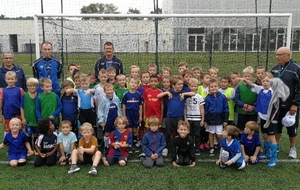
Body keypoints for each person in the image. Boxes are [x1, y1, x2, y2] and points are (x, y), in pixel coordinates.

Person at [271, 46, 300, 159]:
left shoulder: (296, 69)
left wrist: (295, 104)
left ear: (287, 55)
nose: (277, 57)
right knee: (276, 127)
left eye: (279, 55)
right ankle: (276, 145)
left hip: (290, 106)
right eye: (276, 54)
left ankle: (292, 148)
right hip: (276, 105)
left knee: (291, 127)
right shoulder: (274, 69)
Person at [158, 76, 195, 156]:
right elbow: (158, 96)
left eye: (182, 84)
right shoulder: (170, 92)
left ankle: (180, 148)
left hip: (179, 117)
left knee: (179, 134)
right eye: (179, 84)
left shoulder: (183, 92)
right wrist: (166, 92)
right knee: (168, 133)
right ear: (173, 85)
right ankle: (166, 147)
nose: (181, 86)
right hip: (169, 117)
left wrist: (184, 93)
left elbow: (193, 93)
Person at [204, 79, 229, 156]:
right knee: (211, 133)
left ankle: (221, 146)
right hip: (210, 119)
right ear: (209, 88)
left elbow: (226, 108)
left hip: (219, 119)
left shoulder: (222, 97)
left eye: (215, 86)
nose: (214, 88)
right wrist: (205, 120)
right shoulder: (207, 98)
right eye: (211, 87)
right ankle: (212, 147)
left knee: (219, 135)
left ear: (218, 87)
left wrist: (225, 120)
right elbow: (205, 110)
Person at [98, 83, 122, 153]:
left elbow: (119, 109)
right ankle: (106, 146)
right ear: (105, 92)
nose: (109, 91)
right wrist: (101, 121)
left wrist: (120, 118)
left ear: (113, 90)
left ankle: (116, 146)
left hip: (115, 120)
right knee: (107, 134)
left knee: (116, 133)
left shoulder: (116, 99)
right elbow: (100, 110)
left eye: (111, 90)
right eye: (107, 90)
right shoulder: (103, 100)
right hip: (107, 120)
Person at [122, 77, 143, 152]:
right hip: (128, 114)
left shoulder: (138, 94)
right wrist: (124, 115)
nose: (133, 84)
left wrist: (140, 115)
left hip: (136, 114)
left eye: (135, 83)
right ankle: (129, 145)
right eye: (132, 82)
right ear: (128, 84)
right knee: (129, 130)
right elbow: (124, 105)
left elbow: (140, 105)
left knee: (135, 130)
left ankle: (134, 143)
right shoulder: (126, 94)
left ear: (137, 85)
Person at [234, 66, 257, 132]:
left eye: (249, 76)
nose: (247, 78)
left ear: (252, 76)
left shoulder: (255, 87)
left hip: (252, 112)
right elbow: (236, 98)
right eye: (245, 76)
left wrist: (253, 106)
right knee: (241, 129)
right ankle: (241, 141)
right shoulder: (240, 86)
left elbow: (258, 99)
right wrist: (243, 105)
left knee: (252, 129)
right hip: (241, 111)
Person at [186, 78, 205, 155]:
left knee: (197, 134)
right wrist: (185, 118)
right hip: (189, 118)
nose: (193, 88)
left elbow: (202, 109)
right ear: (189, 86)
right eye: (191, 86)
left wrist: (202, 119)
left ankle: (197, 148)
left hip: (197, 118)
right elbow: (184, 108)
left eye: (195, 86)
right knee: (189, 134)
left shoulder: (199, 97)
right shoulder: (186, 96)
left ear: (197, 86)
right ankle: (190, 147)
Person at [21, 78, 39, 155]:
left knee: (36, 134)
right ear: (27, 86)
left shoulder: (39, 96)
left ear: (37, 86)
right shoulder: (24, 96)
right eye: (30, 86)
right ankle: (29, 149)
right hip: (28, 118)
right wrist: (23, 118)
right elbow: (22, 107)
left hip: (36, 118)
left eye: (34, 86)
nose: (32, 87)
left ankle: (35, 149)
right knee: (28, 134)